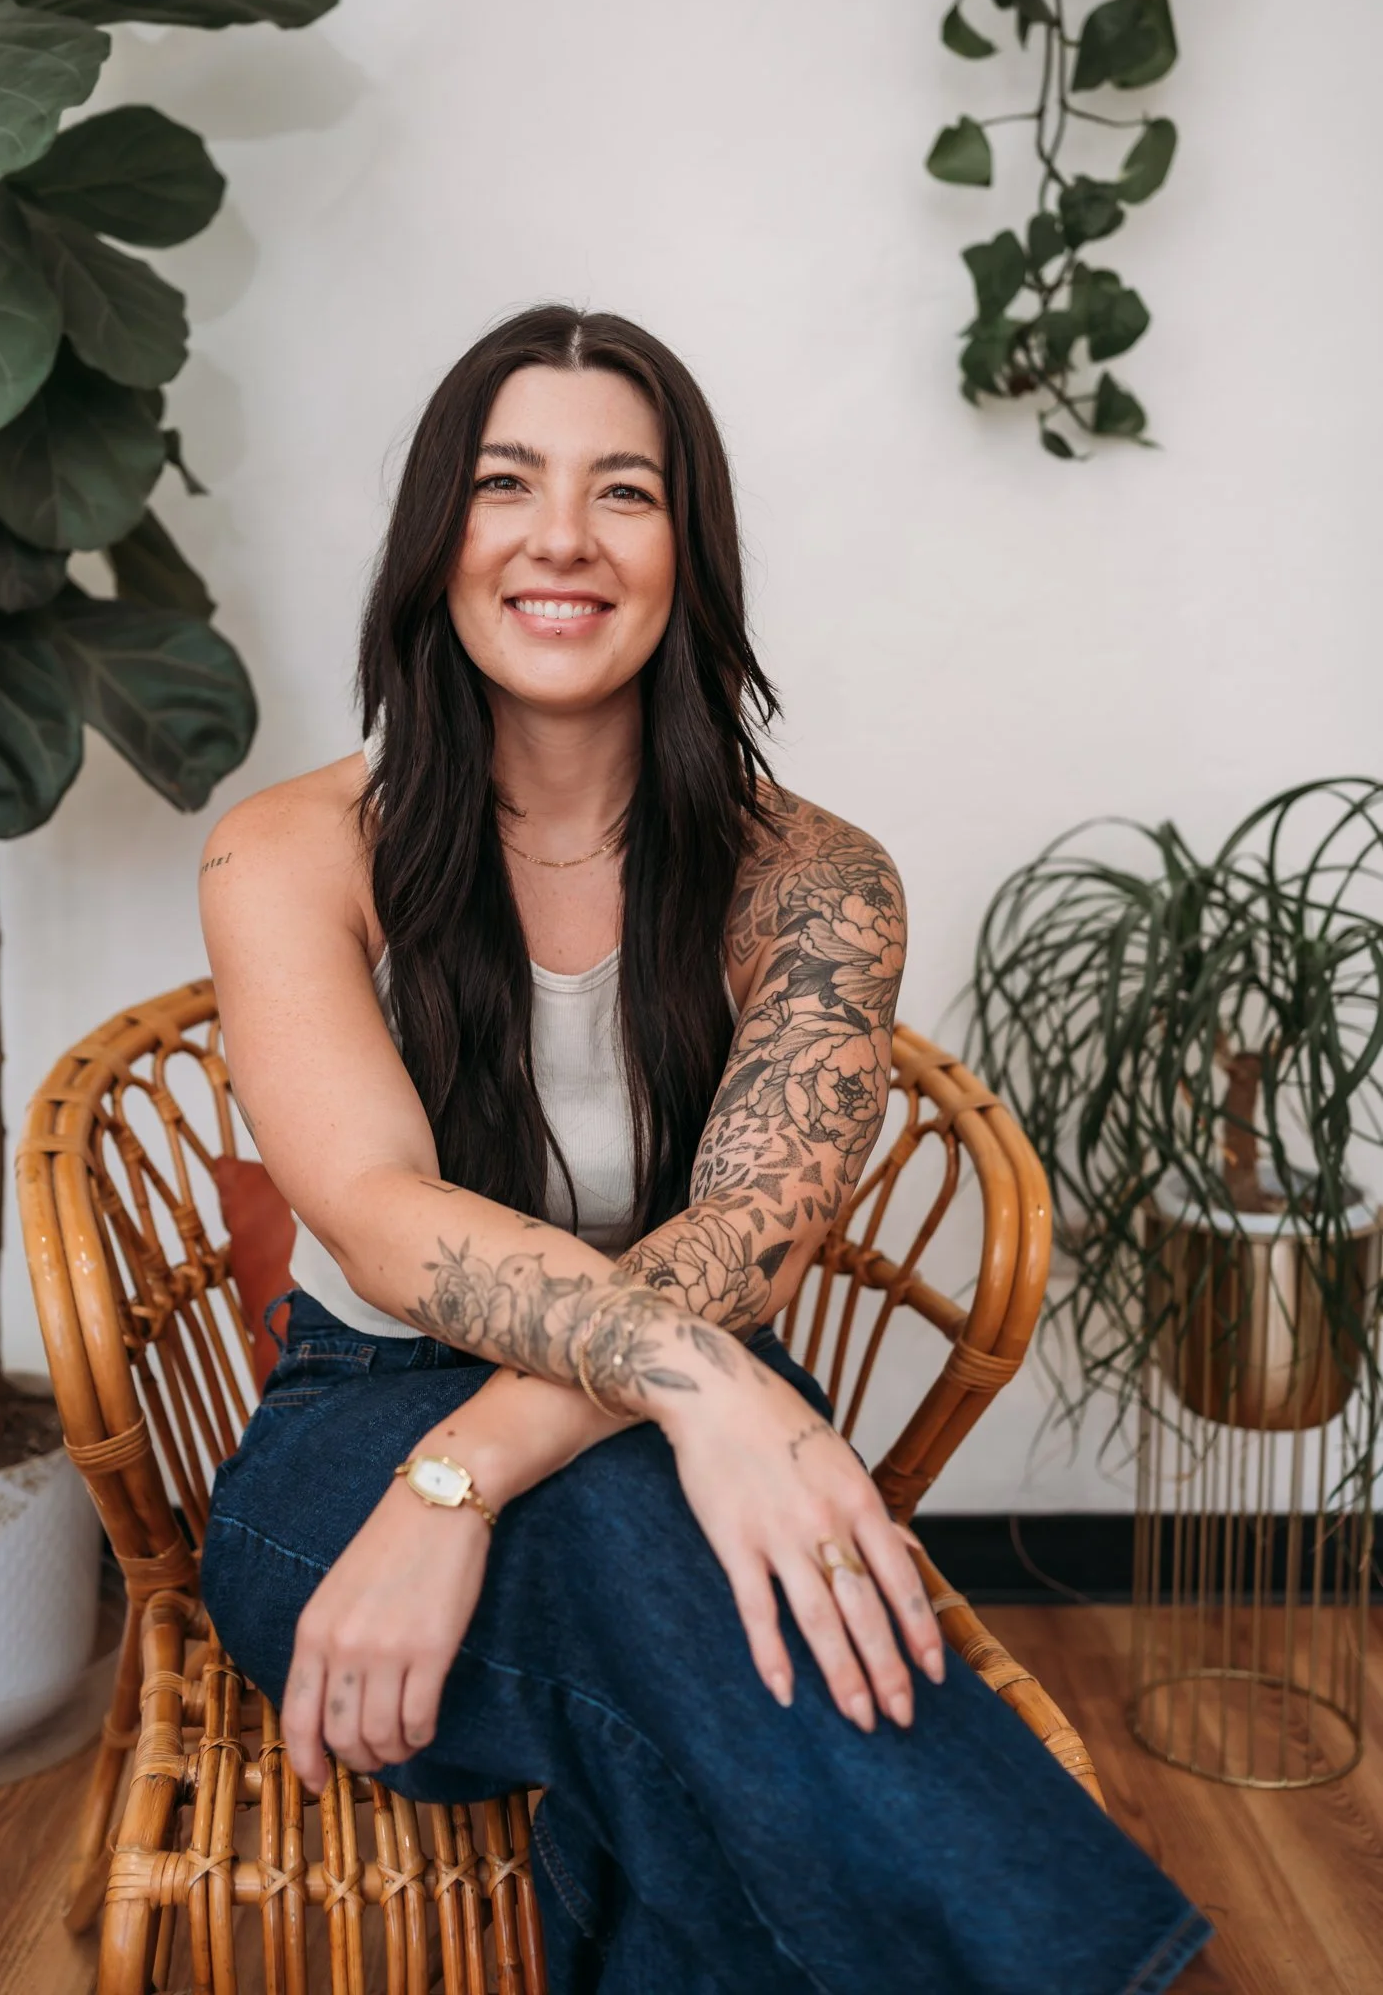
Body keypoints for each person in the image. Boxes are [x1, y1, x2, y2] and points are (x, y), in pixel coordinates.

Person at [198, 305, 1210, 1994]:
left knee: (672, 1691)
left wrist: (480, 1474)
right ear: (438, 535)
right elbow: (382, 1223)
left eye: (627, 493)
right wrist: (708, 1395)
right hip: (350, 1436)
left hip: (656, 1426)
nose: (561, 540)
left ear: (691, 551)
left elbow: (748, 1230)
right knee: (683, 1566)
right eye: (507, 481)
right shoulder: (292, 851)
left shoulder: (817, 880)